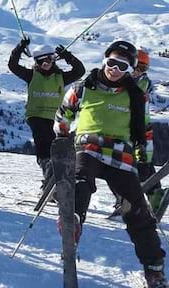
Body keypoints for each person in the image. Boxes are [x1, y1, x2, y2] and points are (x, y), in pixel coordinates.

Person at [54, 40, 166, 287]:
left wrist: (145, 161)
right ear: (104, 60)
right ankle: (72, 220)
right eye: (111, 62)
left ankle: (154, 267)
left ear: (130, 70)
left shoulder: (137, 96)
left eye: (123, 66)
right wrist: (62, 136)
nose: (115, 69)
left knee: (136, 209)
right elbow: (64, 112)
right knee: (81, 178)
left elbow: (145, 130)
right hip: (88, 146)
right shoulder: (83, 87)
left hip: (121, 154)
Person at [8, 40, 85, 191]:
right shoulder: (31, 75)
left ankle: (52, 178)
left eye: (48, 60)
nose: (45, 63)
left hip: (55, 118)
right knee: (42, 142)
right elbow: (13, 66)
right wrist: (20, 48)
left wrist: (68, 56)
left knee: (54, 146)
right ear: (36, 62)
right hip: (35, 115)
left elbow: (79, 71)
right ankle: (48, 173)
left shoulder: (60, 77)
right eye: (41, 61)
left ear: (53, 60)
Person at [110, 48, 165, 216]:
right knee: (116, 165)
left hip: (137, 129)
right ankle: (125, 197)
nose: (139, 71)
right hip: (117, 129)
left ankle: (155, 196)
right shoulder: (118, 77)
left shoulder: (142, 83)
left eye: (143, 68)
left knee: (143, 163)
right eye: (138, 67)